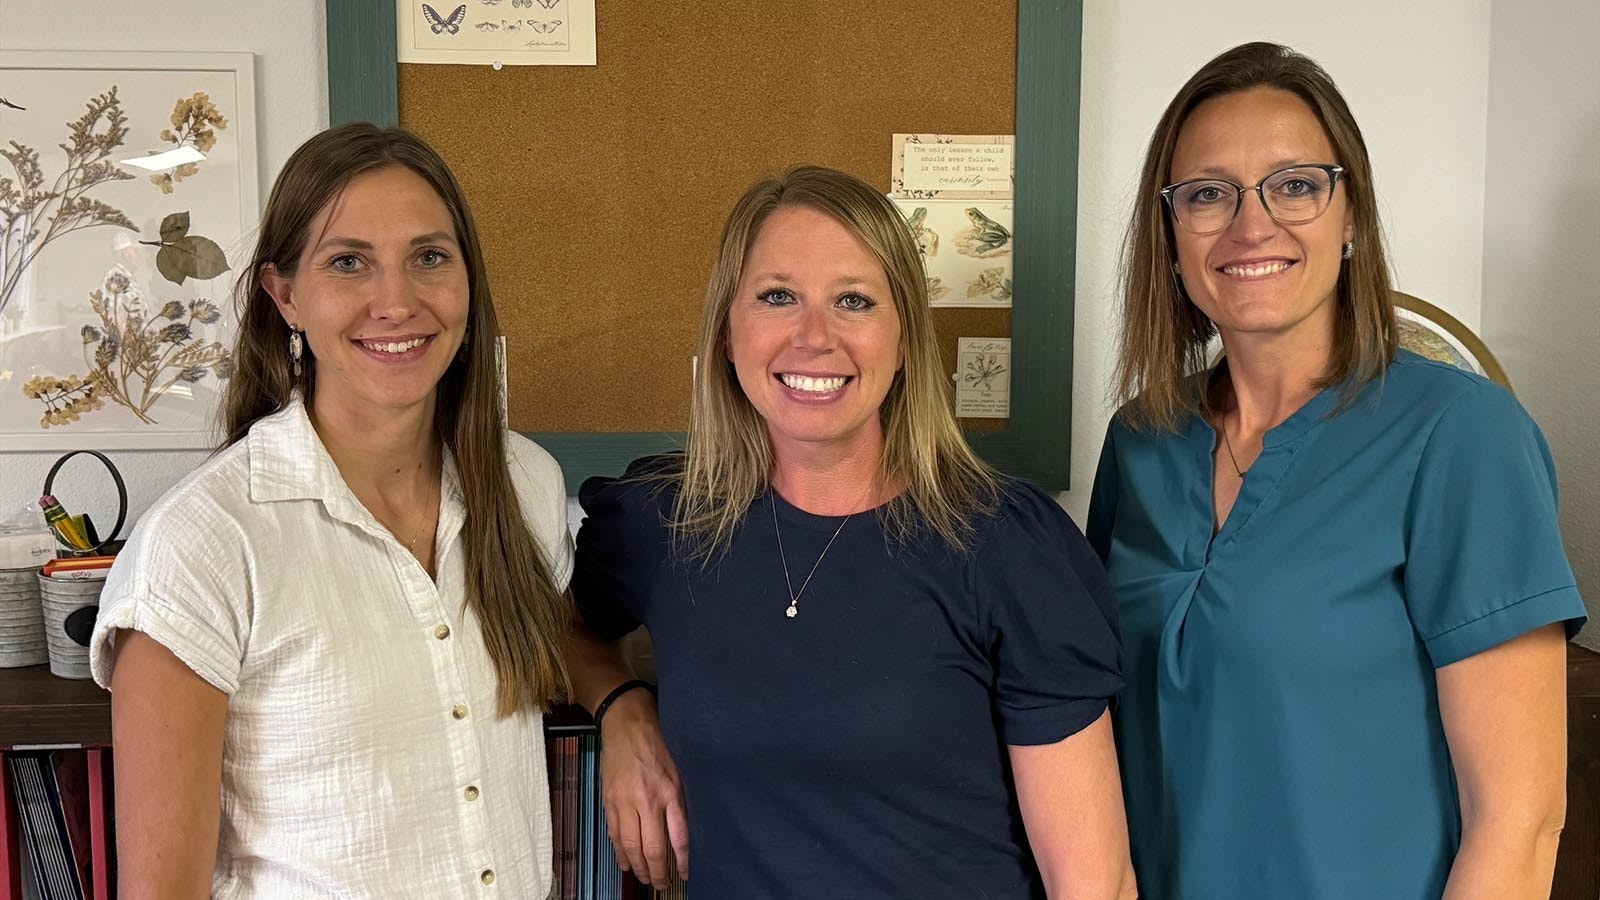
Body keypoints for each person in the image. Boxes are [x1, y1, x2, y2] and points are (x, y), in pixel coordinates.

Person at [1089, 42, 1586, 900]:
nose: (1252, 225)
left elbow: (1522, 819)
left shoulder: (1463, 437)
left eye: (1295, 184)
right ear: (1171, 234)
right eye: (1207, 193)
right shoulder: (1140, 439)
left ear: (1350, 214)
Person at [566, 165, 1134, 899]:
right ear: (728, 333)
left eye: (854, 302)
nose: (814, 338)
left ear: (903, 344)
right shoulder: (665, 520)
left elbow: (1095, 885)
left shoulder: (1005, 545)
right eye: (777, 297)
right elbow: (557, 628)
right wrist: (621, 709)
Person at [89, 123, 574, 898]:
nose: (397, 301)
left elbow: (554, 638)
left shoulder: (527, 486)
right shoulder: (205, 542)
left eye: (430, 258)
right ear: (286, 295)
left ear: (468, 282)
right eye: (349, 262)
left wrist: (623, 709)